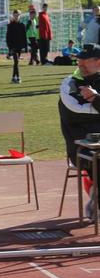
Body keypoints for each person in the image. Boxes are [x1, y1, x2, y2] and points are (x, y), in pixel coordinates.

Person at [58, 44, 100, 219]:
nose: (80, 63)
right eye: (79, 59)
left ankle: (95, 195)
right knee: (97, 158)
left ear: (98, 62)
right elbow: (75, 111)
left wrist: (94, 98)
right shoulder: (70, 83)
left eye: (85, 59)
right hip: (80, 146)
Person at [6, 9, 27, 83]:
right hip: (13, 46)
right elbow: (8, 37)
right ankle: (18, 77)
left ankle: (13, 77)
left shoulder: (22, 25)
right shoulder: (10, 25)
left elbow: (24, 37)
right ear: (13, 16)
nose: (16, 16)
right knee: (16, 61)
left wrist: (25, 47)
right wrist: (9, 47)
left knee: (16, 62)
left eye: (18, 15)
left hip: (20, 46)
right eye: (15, 15)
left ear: (20, 16)